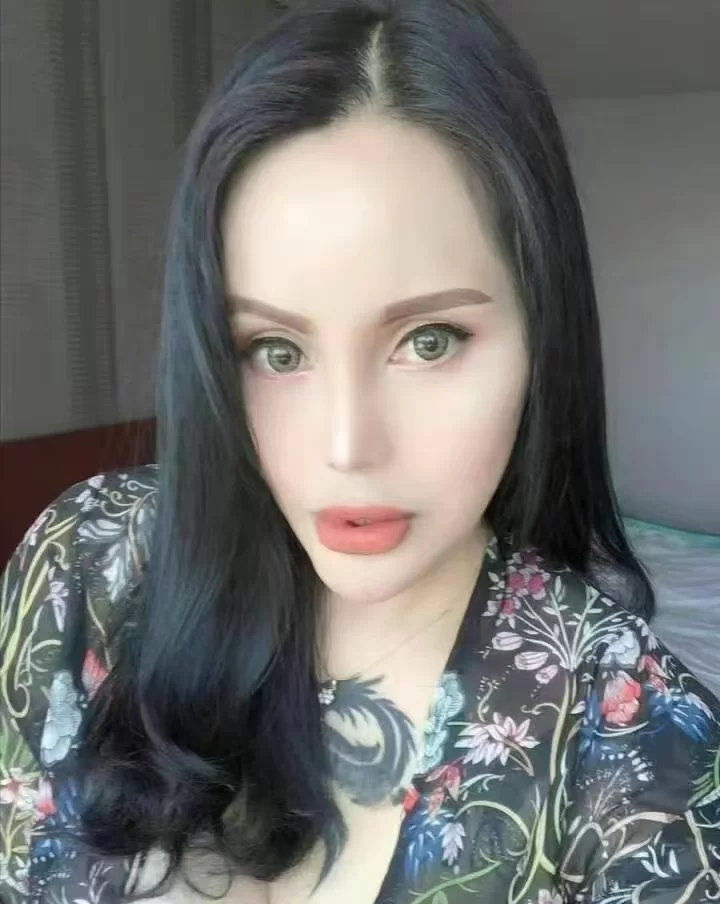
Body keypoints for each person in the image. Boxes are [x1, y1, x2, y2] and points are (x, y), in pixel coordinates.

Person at [1, 0, 718, 901]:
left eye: (429, 341)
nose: (347, 448)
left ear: (543, 336)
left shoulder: (636, 743)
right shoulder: (84, 564)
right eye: (276, 351)